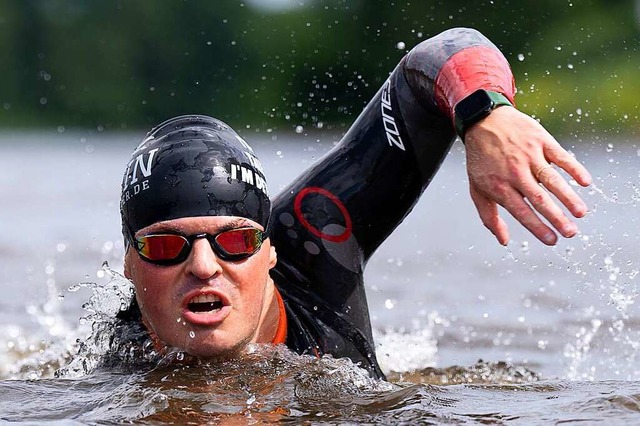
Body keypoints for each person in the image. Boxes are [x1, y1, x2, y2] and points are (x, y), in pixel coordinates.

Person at [117, 27, 591, 379]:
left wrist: (484, 113)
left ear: (270, 249)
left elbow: (440, 54)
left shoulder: (312, 235)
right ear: (129, 267)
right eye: (164, 248)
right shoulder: (119, 365)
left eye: (235, 241)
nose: (203, 265)